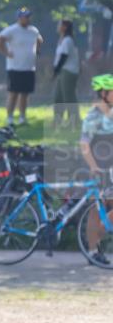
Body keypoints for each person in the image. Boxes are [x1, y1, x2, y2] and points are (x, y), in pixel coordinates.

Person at [79, 73, 113, 266]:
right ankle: (92, 250)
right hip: (98, 168)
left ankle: (94, 241)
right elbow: (84, 144)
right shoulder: (94, 116)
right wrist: (93, 167)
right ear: (103, 93)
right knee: (95, 209)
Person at [0, 7, 43, 127]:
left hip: (29, 67)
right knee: (13, 93)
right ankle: (10, 117)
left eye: (28, 16)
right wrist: (6, 52)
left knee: (25, 94)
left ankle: (22, 117)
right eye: (24, 16)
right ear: (19, 17)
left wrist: (36, 52)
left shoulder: (33, 30)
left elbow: (39, 40)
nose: (27, 19)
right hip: (15, 67)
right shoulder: (12, 30)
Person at [53, 19, 81, 131]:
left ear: (64, 27)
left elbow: (64, 57)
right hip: (62, 71)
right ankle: (57, 121)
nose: (58, 26)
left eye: (59, 24)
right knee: (58, 97)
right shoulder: (62, 40)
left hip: (68, 71)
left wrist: (56, 70)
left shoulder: (68, 40)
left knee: (69, 97)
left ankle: (73, 121)